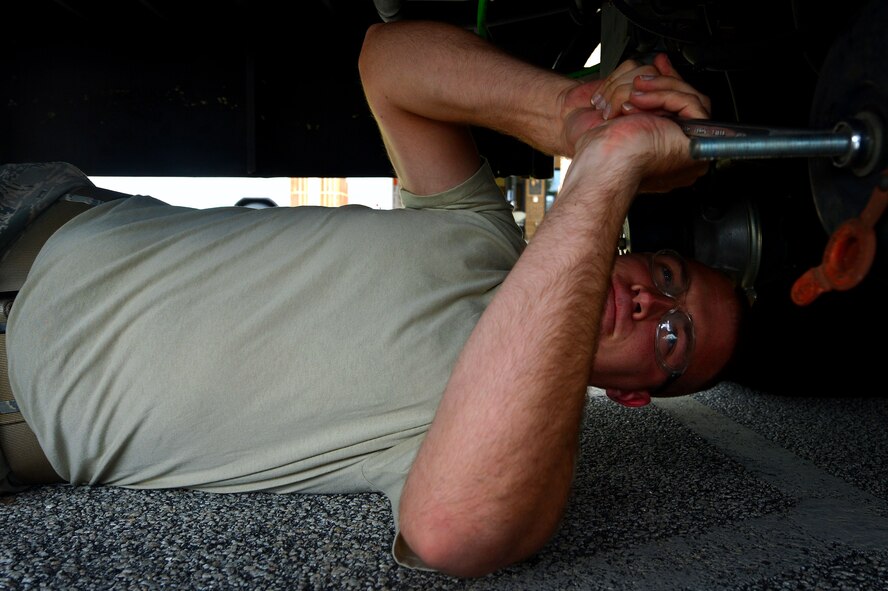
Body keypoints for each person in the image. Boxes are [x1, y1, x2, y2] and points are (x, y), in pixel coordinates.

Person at [1, 20, 741, 578]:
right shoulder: (479, 230)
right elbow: (387, 61)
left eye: (672, 337)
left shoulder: (495, 444)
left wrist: (606, 175)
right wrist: (576, 115)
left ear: (635, 395)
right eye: (667, 276)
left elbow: (454, 532)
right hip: (32, 217)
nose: (650, 304)